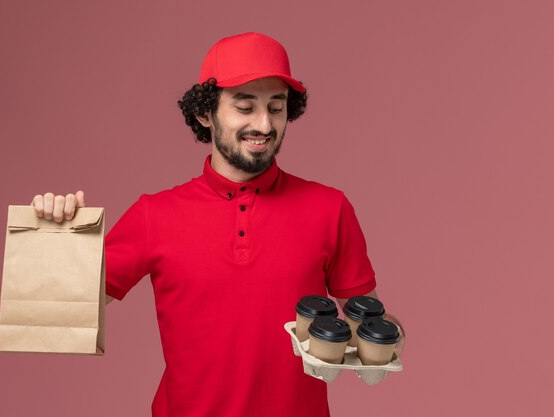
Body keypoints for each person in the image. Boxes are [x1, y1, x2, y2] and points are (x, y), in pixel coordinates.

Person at [31, 32, 405, 417]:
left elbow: (371, 322)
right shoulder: (154, 215)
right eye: (245, 108)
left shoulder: (330, 208)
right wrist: (53, 235)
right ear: (204, 113)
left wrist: (391, 338)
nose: (264, 124)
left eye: (276, 108)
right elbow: (63, 309)